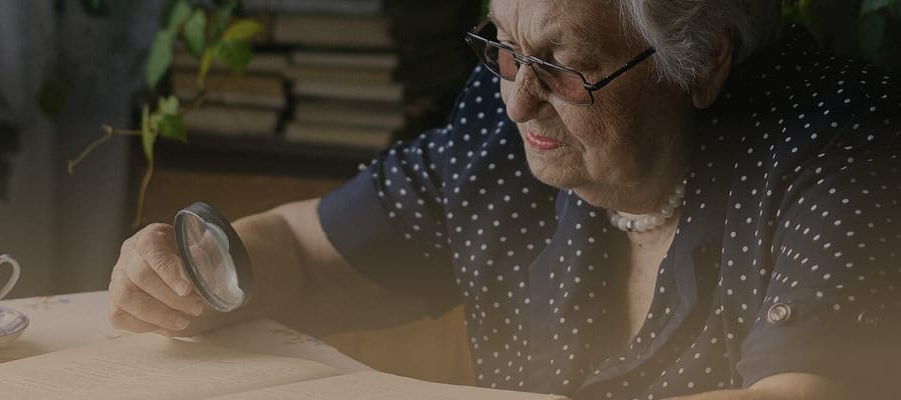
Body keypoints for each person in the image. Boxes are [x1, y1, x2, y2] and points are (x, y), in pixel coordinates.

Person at [107, 0, 901, 398]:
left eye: (562, 65)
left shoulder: (843, 147)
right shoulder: (502, 125)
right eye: (503, 49)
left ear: (700, 65)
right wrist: (197, 269)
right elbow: (309, 255)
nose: (519, 101)